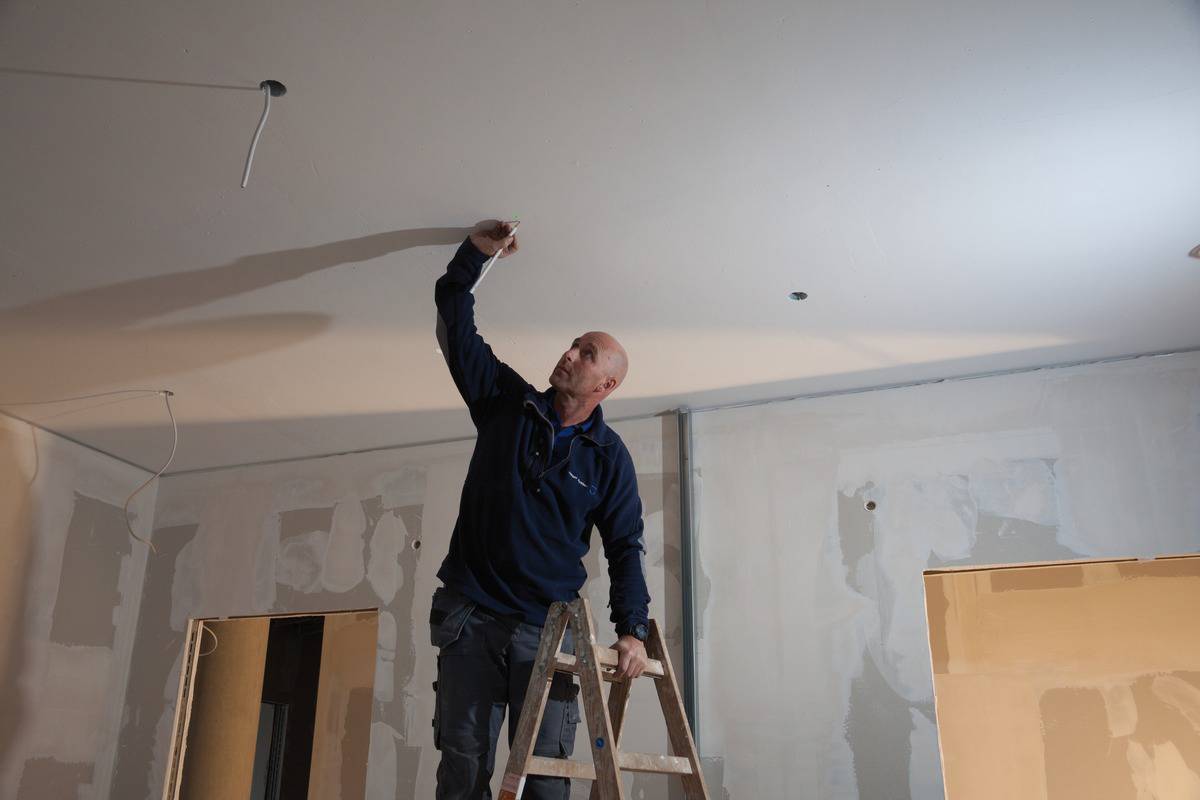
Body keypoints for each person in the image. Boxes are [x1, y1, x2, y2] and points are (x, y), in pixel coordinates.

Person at [429, 221, 651, 799]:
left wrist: (632, 631)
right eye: (572, 344)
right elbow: (455, 321)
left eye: (585, 353)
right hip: (471, 615)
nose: (568, 353)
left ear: (606, 384)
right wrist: (475, 256)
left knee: (547, 775)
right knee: (462, 765)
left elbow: (625, 546)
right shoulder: (505, 403)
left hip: (548, 631)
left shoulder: (608, 458)